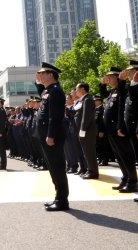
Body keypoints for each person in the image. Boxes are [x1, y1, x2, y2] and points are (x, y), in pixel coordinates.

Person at [35, 62, 69, 211]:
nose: (40, 76)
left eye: (42, 73)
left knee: (57, 167)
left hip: (52, 136)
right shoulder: (48, 90)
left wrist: (51, 135)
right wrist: (38, 82)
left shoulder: (56, 91)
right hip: (46, 135)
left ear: (50, 74)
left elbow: (55, 116)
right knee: (53, 168)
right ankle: (58, 197)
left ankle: (62, 200)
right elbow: (42, 94)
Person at [100, 66, 138, 193]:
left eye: (111, 77)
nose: (109, 79)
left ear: (118, 77)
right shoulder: (112, 91)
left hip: (118, 129)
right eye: (108, 77)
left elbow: (122, 110)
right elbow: (103, 94)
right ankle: (126, 178)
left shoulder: (124, 90)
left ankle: (132, 182)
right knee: (119, 156)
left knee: (126, 156)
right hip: (111, 130)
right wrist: (102, 84)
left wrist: (120, 126)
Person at [73, 82, 98, 179]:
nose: (75, 91)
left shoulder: (87, 99)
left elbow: (86, 117)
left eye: (77, 89)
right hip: (83, 130)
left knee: (89, 152)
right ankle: (89, 170)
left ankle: (93, 172)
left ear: (83, 89)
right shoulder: (82, 100)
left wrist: (82, 129)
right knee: (86, 152)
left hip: (87, 130)